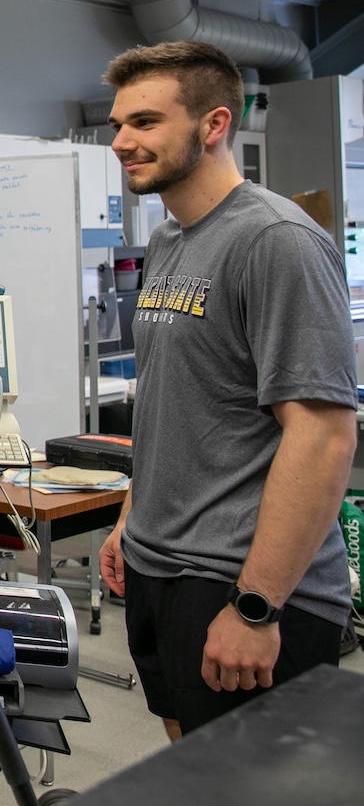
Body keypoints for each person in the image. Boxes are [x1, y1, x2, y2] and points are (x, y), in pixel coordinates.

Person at [97, 40, 356, 740]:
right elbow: (175, 403)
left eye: (145, 122)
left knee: (241, 783)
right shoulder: (169, 241)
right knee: (188, 768)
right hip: (161, 563)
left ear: (213, 125)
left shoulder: (276, 240)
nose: (121, 142)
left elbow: (324, 437)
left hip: (241, 580)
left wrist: (256, 606)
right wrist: (131, 519)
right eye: (118, 124)